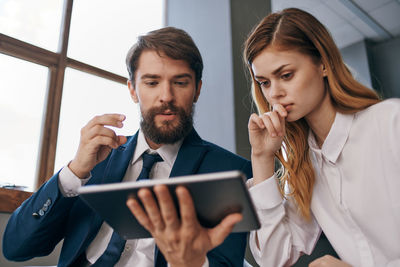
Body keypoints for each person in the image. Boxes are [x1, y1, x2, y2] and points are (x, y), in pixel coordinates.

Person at [3, 27, 252, 267]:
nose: (166, 96)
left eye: (180, 82)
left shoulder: (229, 171)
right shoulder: (95, 161)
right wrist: (74, 172)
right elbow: (16, 248)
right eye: (152, 83)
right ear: (133, 89)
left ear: (197, 89)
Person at [243, 7, 400, 267]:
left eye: (286, 75)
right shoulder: (304, 166)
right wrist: (261, 159)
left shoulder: (390, 122)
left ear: (323, 64)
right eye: (264, 82)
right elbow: (273, 259)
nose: (274, 94)